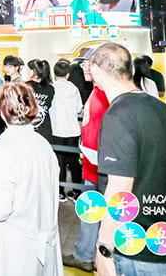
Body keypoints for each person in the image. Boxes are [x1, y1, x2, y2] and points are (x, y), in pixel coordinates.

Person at [91, 43, 166, 276]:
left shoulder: (117, 115)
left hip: (135, 247)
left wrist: (104, 247)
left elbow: (120, 189)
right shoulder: (161, 108)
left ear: (96, 71)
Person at [0, 82, 62, 275]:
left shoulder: (4, 150)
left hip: (16, 246)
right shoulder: (43, 144)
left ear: (3, 112)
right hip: (43, 236)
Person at [63, 50, 109, 273]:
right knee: (91, 213)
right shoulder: (97, 91)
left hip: (101, 170)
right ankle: (86, 253)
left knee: (96, 213)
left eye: (89, 63)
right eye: (83, 64)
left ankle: (90, 255)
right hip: (93, 169)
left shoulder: (105, 94)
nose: (85, 68)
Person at [50, 59, 83, 202]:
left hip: (57, 130)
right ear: (68, 74)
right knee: (74, 162)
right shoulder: (74, 89)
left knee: (60, 162)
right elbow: (79, 108)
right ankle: (77, 192)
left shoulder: (52, 88)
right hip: (73, 130)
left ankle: (60, 192)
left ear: (54, 74)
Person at [26, 58, 55, 143]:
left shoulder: (26, 86)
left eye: (28, 70)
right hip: (45, 128)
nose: (27, 72)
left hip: (29, 127)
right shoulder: (50, 88)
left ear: (33, 71)